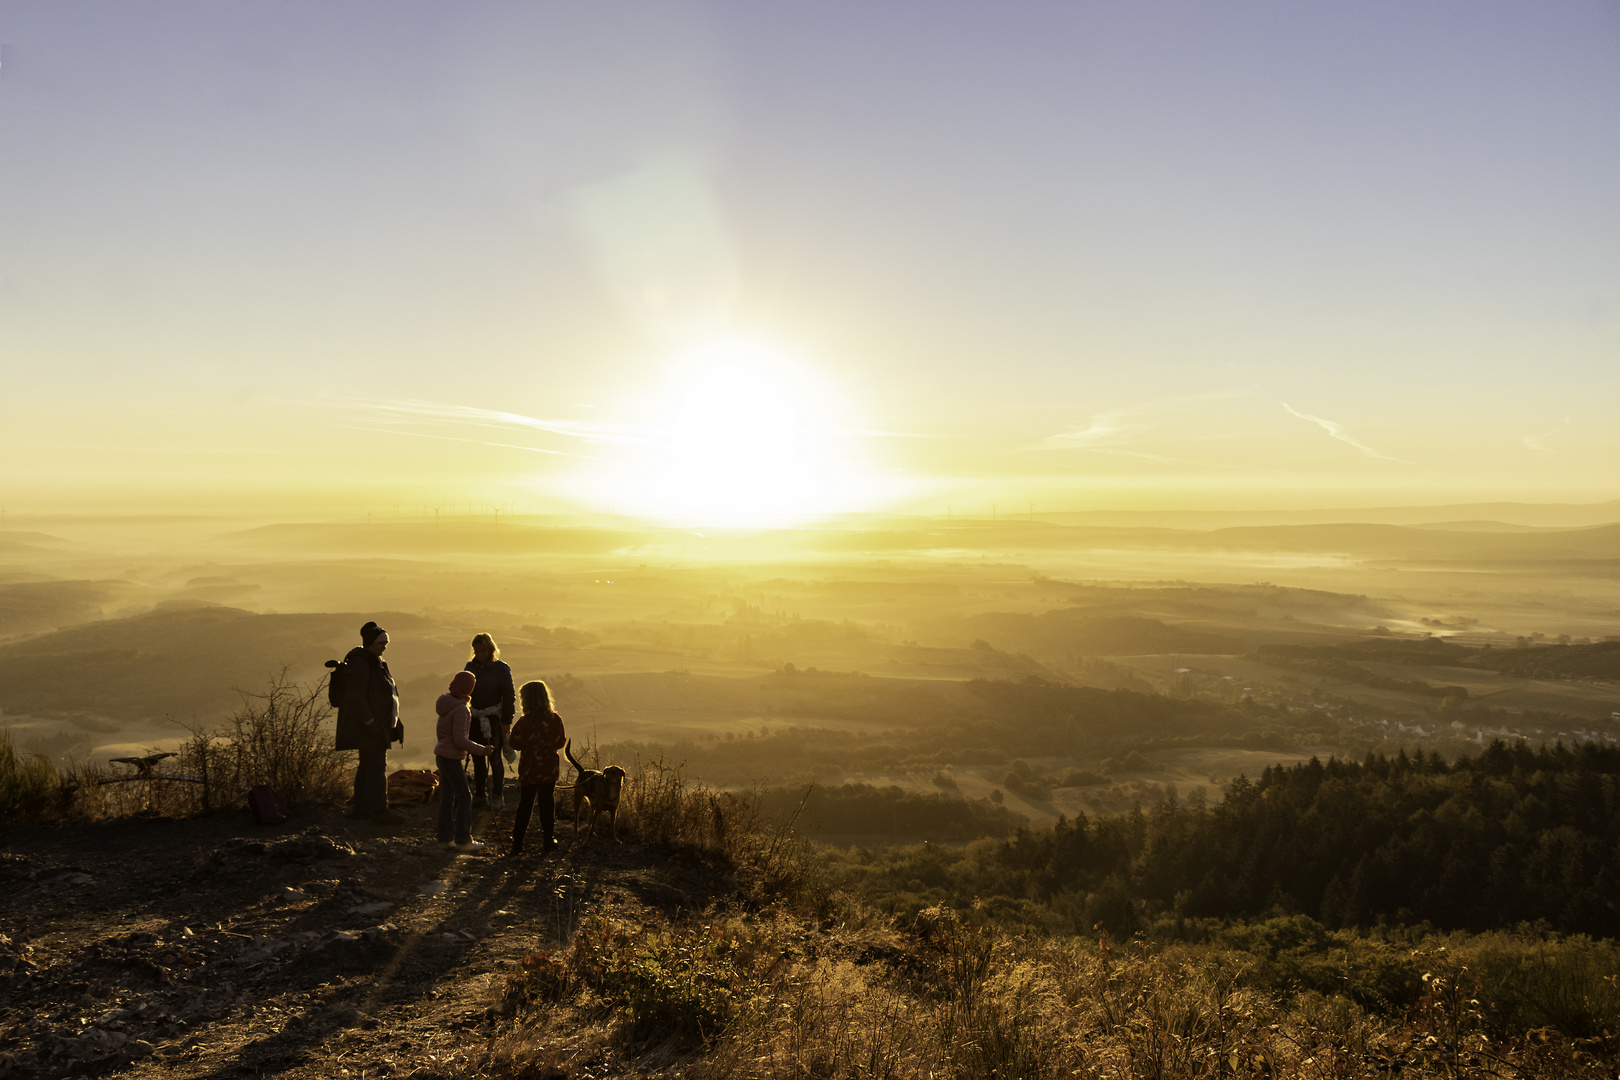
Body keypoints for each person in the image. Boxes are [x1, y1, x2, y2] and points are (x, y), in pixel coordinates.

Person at [335, 621, 403, 824]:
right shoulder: (362, 663)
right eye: (380, 643)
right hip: (369, 727)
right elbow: (357, 696)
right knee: (375, 766)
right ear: (370, 643)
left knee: (368, 765)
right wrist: (370, 721)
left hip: (374, 724)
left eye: (385, 643)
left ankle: (363, 808)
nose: (384, 646)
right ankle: (378, 810)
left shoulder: (373, 661)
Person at [503, 680, 568, 858]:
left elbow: (514, 743)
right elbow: (561, 742)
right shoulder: (555, 719)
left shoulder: (525, 722)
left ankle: (517, 843)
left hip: (529, 770)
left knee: (525, 805)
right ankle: (548, 839)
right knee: (547, 804)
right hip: (549, 769)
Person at [435, 670, 490, 853]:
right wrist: (482, 750)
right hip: (451, 757)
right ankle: (463, 840)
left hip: (442, 755)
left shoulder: (445, 703)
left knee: (447, 798)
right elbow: (460, 740)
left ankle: (445, 839)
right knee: (465, 797)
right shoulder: (460, 709)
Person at [463, 633, 516, 810]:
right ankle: (479, 795)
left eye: (482, 650)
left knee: (495, 758)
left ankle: (497, 795)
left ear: (490, 649)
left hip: (494, 718)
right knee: (478, 757)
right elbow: (464, 691)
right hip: (475, 718)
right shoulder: (470, 667)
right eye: (476, 651)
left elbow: (509, 696)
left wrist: (506, 722)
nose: (479, 654)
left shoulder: (501, 669)